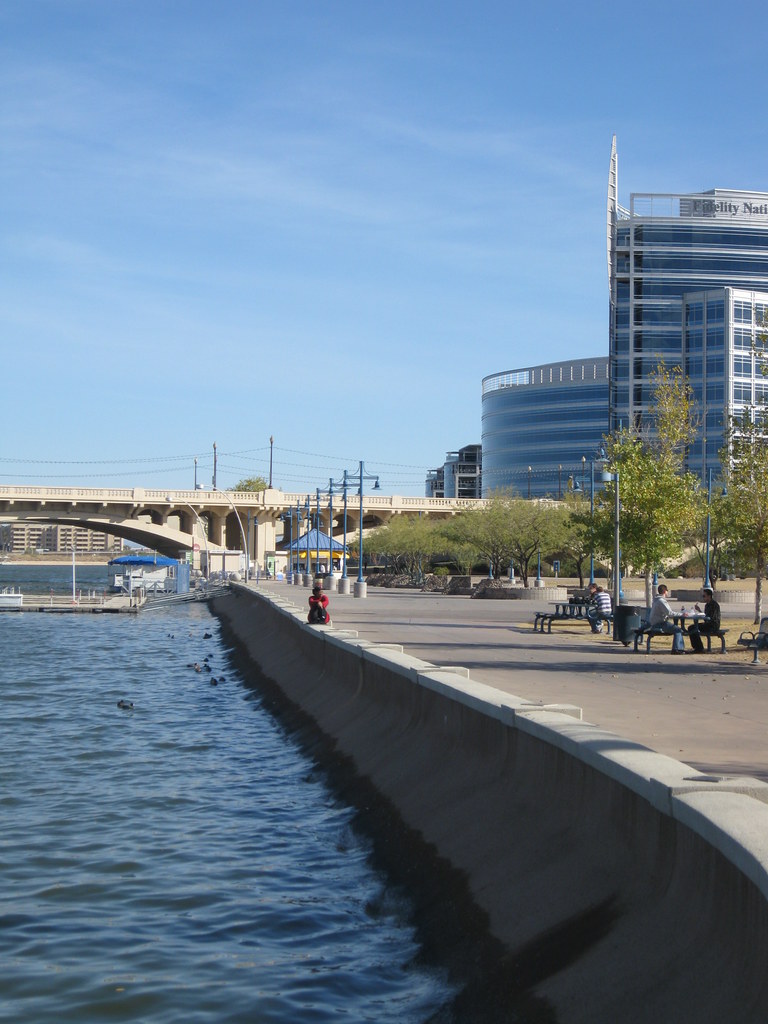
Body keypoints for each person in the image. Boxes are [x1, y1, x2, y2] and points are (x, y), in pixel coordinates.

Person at [649, 583, 685, 652]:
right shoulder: (661, 601)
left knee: (676, 628)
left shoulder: (656, 600)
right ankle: (677, 649)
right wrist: (682, 614)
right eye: (667, 591)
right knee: (678, 630)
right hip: (659, 624)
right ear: (665, 591)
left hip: (655, 623)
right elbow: (670, 613)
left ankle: (679, 648)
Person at [688, 587, 721, 653]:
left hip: (713, 625)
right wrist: (699, 610)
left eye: (704, 596)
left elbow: (711, 617)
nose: (703, 598)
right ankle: (697, 647)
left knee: (693, 628)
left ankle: (699, 648)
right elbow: (705, 615)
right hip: (707, 623)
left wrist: (704, 618)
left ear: (709, 596)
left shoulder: (714, 605)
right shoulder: (707, 605)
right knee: (691, 628)